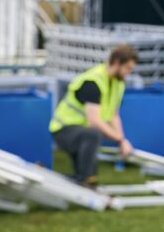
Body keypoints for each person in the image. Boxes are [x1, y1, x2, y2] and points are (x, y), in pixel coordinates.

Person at [49, 45, 138, 187]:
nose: (129, 73)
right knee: (93, 135)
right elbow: (94, 121)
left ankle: (81, 179)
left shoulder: (117, 83)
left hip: (82, 131)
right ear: (116, 62)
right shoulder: (93, 82)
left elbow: (114, 116)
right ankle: (85, 179)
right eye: (127, 68)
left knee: (88, 169)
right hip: (63, 129)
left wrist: (122, 140)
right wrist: (120, 140)